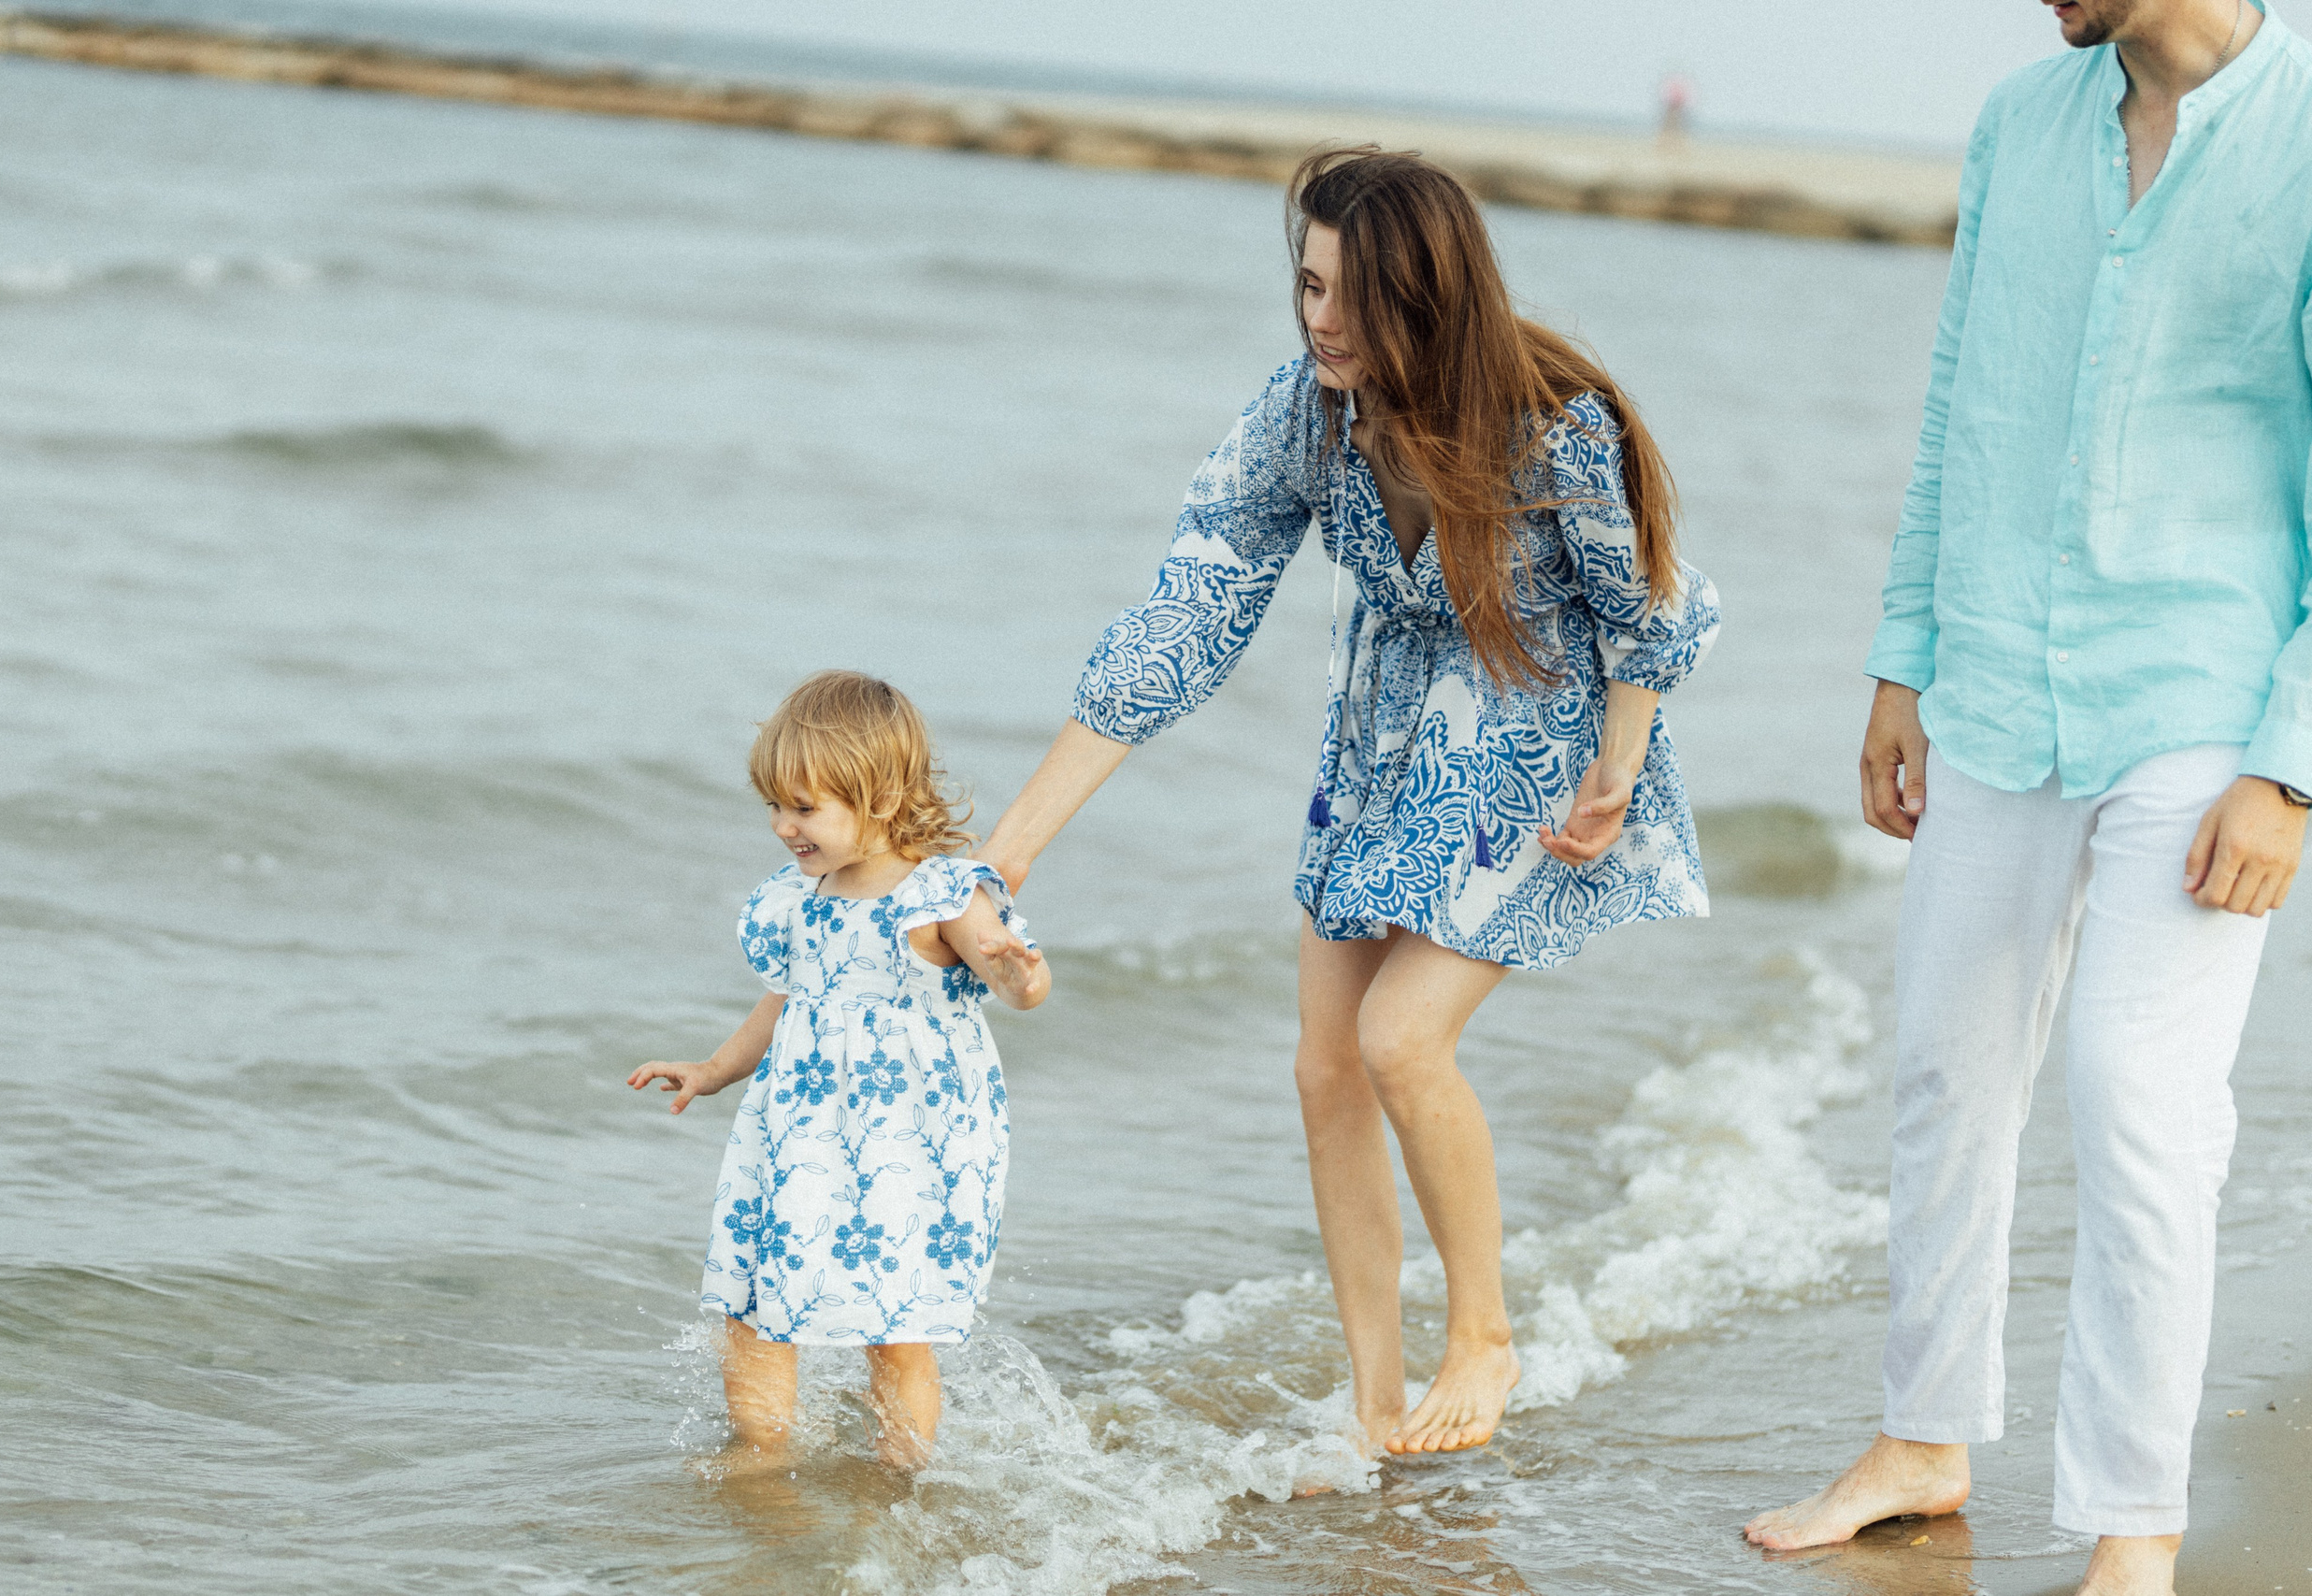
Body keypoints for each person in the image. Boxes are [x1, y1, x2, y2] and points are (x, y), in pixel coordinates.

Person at [976, 148, 1720, 1462]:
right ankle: (1377, 1404)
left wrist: (1618, 768)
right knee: (1325, 1065)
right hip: (1379, 735)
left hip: (1532, 737)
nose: (1319, 316)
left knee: (1399, 1039)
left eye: (1350, 293)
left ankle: (1483, 1332)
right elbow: (1188, 610)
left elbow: (1648, 606)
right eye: (1306, 283)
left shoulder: (1557, 424)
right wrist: (1005, 858)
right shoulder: (1308, 413)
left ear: (1425, 295)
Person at [1744, 3, 2312, 1591]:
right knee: (1945, 1066)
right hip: (1994, 674)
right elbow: (1959, 402)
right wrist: (1901, 654)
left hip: (2208, 700)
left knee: (2140, 1103)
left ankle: (2135, 1526)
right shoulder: (2017, 123)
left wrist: (2291, 769)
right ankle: (1923, 1438)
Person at [630, 670, 1049, 1471]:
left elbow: (1020, 986)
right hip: (796, 1128)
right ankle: (762, 1450)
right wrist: (714, 1069)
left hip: (907, 1139)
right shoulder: (798, 898)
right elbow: (782, 1003)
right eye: (775, 806)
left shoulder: (943, 894)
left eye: (804, 806)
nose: (785, 826)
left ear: (881, 797)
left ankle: (903, 1466)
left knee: (894, 1321)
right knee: (752, 1292)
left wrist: (1020, 972)